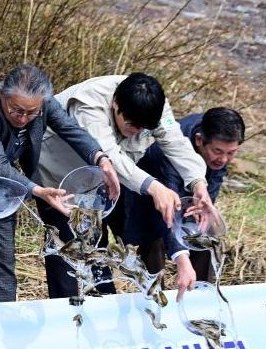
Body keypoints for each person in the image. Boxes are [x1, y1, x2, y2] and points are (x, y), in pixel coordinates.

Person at [0, 64, 120, 304]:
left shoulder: (44, 103)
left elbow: (70, 129)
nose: (23, 119)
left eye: (31, 113)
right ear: (2, 94)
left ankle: (3, 317)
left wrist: (101, 158)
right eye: (16, 110)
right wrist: (37, 190)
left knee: (3, 260)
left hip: (4, 189)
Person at [36, 73, 213, 299]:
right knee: (65, 251)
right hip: (58, 179)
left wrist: (198, 183)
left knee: (97, 249)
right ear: (115, 103)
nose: (136, 131)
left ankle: (102, 302)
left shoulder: (155, 107)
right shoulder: (89, 103)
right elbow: (109, 157)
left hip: (101, 186)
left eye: (142, 128)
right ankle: (65, 309)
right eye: (131, 124)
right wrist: (154, 187)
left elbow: (177, 143)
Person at [123, 107, 244, 301]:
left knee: (203, 236)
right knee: (154, 241)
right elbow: (170, 209)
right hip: (150, 189)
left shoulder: (221, 143)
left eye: (231, 153)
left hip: (193, 185)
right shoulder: (169, 150)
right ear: (199, 140)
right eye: (218, 151)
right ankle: (154, 302)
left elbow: (214, 179)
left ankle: (199, 303)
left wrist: (205, 208)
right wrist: (182, 259)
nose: (224, 159)